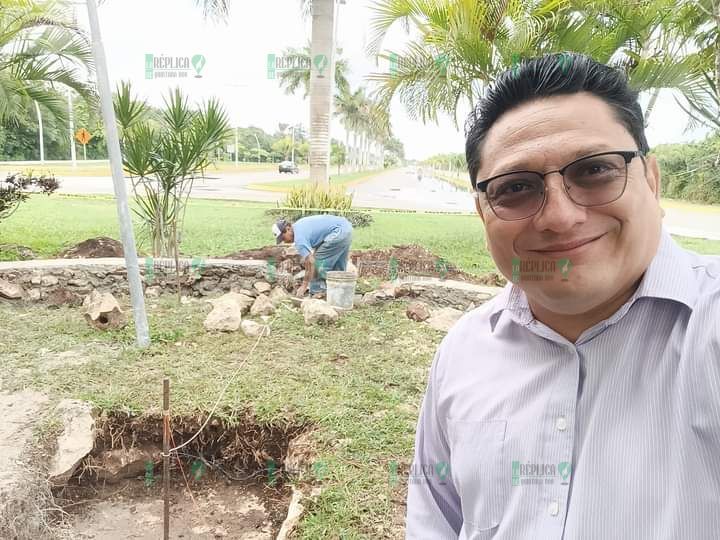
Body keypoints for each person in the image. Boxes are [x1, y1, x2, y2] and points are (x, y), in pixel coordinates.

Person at [405, 52, 720, 539]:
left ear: (652, 180)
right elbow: (435, 519)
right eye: (515, 187)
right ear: (481, 211)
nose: (560, 217)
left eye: (594, 171)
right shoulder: (463, 349)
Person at [272, 214, 353, 297]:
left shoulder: (299, 239)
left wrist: (304, 286)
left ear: (288, 229)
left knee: (318, 263)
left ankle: (317, 292)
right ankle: (340, 292)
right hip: (346, 227)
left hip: (338, 233)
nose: (284, 242)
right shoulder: (299, 225)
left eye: (283, 238)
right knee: (338, 265)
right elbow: (321, 236)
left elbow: (311, 262)